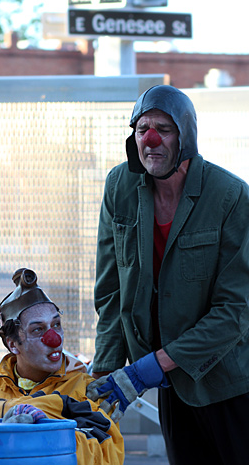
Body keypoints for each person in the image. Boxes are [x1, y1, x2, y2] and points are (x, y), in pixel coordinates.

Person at [86, 85, 249, 465]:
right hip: (169, 384)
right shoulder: (119, 186)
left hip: (224, 382)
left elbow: (234, 312)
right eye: (142, 129)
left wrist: (154, 365)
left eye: (164, 128)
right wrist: (108, 368)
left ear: (186, 136)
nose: (151, 139)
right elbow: (111, 288)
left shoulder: (230, 195)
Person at [0, 268, 124, 465]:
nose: (55, 339)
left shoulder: (86, 390)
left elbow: (108, 455)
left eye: (56, 325)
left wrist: (43, 430)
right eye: (38, 329)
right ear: (12, 344)